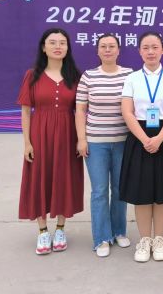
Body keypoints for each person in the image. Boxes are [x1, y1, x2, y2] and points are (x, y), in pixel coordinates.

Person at [17, 28, 83, 255]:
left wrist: (81, 139)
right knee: (39, 178)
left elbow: (81, 111)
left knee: (64, 178)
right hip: (40, 135)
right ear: (43, 47)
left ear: (68, 48)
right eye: (52, 42)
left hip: (67, 135)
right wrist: (27, 142)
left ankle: (61, 228)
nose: (58, 46)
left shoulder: (75, 76)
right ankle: (43, 231)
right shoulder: (32, 75)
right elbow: (26, 111)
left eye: (62, 42)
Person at [120, 31, 163, 263]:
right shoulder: (132, 78)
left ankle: (159, 239)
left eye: (155, 47)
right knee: (142, 191)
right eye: (146, 47)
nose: (150, 52)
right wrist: (145, 138)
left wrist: (159, 138)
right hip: (139, 136)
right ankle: (144, 240)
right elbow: (127, 111)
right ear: (139, 51)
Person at [75, 33, 133, 257]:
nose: (107, 50)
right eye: (103, 46)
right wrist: (82, 139)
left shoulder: (129, 75)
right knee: (99, 191)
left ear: (119, 50)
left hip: (123, 142)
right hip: (96, 143)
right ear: (97, 51)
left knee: (119, 189)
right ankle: (101, 238)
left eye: (111, 46)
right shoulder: (89, 76)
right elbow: (80, 110)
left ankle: (119, 231)